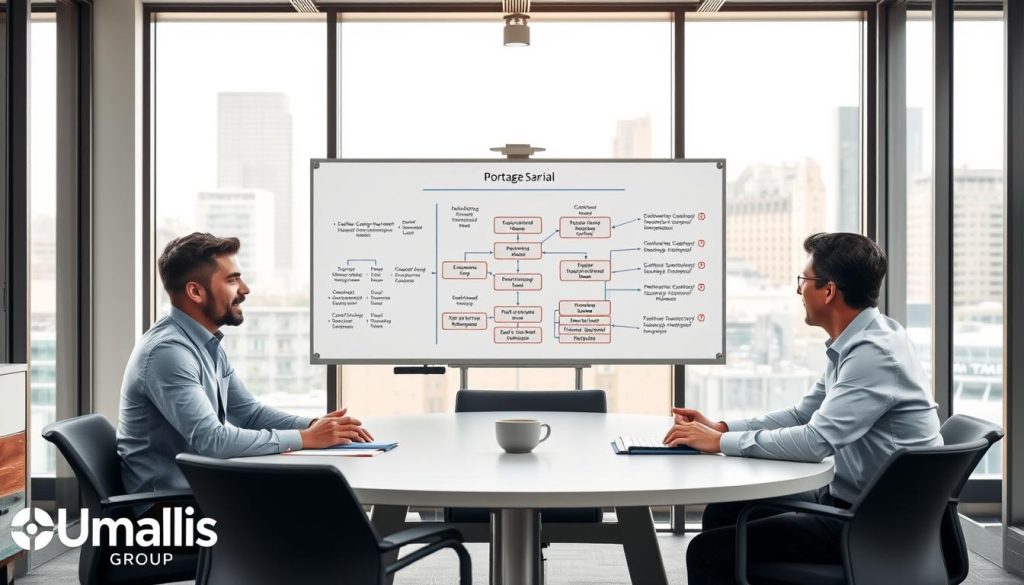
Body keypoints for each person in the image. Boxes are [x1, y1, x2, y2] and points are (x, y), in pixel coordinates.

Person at [664, 232, 942, 584]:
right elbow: (803, 415)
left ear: (829, 291)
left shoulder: (873, 354)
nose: (799, 290)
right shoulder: (861, 340)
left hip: (872, 526)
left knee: (707, 552)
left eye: (804, 280)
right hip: (858, 503)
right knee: (724, 512)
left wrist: (719, 444)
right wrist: (722, 429)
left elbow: (815, 442)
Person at [118, 232, 373, 494]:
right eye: (232, 280)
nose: (245, 289)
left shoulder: (205, 343)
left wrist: (313, 427)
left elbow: (249, 414)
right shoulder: (168, 353)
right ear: (195, 291)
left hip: (203, 494)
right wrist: (305, 438)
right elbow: (213, 441)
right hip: (168, 507)